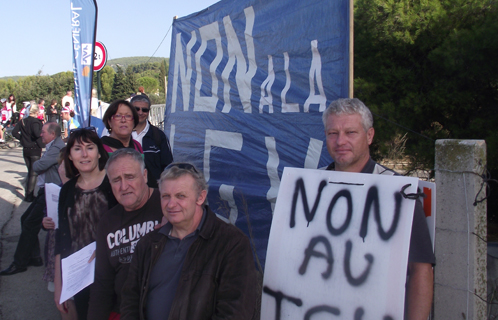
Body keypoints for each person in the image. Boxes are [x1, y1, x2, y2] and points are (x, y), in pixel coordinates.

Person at [322, 98, 435, 320]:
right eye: (332, 133)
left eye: (351, 132)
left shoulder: (400, 192)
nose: (340, 141)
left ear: (370, 135)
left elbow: (421, 270)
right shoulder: (309, 187)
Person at [120, 163, 258, 320]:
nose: (171, 204)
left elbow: (235, 312)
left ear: (200, 197)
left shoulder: (231, 243)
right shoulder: (148, 244)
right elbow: (130, 300)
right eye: (166, 196)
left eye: (180, 196)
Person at [88, 148, 163, 319]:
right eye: (116, 180)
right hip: (123, 310)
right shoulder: (108, 222)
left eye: (130, 177)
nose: (123, 186)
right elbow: (102, 283)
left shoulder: (167, 205)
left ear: (144, 176)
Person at [54, 128, 117, 320]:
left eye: (89, 147)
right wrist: (60, 288)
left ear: (99, 152)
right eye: (77, 149)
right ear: (70, 157)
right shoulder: (67, 191)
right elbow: (62, 240)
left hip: (114, 277)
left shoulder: (115, 182)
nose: (84, 154)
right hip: (80, 278)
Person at [0, 122, 65, 276]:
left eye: (43, 132)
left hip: (50, 192)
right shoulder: (53, 146)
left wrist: (37, 163)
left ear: (52, 134)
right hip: (45, 191)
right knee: (26, 220)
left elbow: (38, 166)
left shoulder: (57, 148)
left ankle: (19, 262)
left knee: (29, 223)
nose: (40, 134)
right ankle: (34, 256)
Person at [130, 95, 173, 188]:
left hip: (153, 193)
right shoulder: (122, 134)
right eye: (136, 109)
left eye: (144, 110)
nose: (140, 112)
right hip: (127, 190)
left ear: (148, 112)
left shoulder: (158, 136)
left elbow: (168, 167)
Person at [11, 104, 44, 201]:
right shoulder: (36, 122)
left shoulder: (23, 121)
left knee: (30, 171)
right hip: (34, 148)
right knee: (33, 173)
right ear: (36, 112)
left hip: (25, 149)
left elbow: (14, 132)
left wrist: (22, 139)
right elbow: (37, 134)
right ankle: (29, 195)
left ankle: (28, 194)